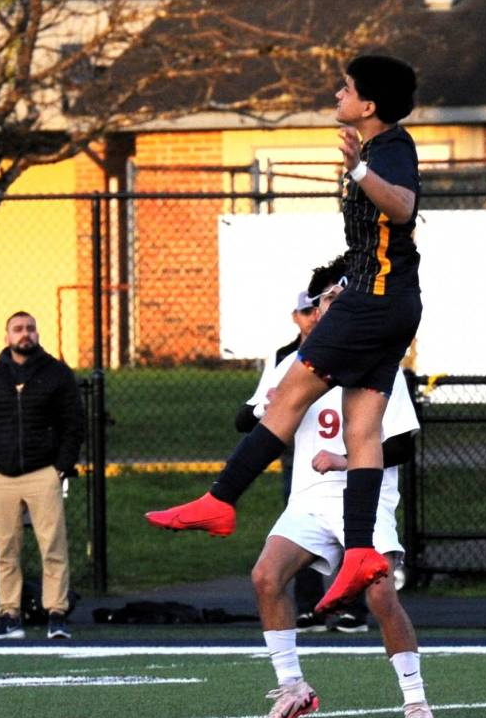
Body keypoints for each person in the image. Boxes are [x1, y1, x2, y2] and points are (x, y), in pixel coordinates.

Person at [146, 54, 421, 611]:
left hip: (374, 305)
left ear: (368, 106)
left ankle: (220, 500)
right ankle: (363, 551)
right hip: (387, 302)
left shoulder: (389, 149)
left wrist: (361, 174)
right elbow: (375, 241)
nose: (336, 95)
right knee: (362, 431)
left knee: (288, 397)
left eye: (345, 89)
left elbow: (404, 209)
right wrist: (349, 275)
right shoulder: (373, 150)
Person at [250, 261, 435, 718]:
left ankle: (415, 700)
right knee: (267, 576)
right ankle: (293, 688)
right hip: (309, 499)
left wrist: (344, 458)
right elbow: (252, 423)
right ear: (315, 310)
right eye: (329, 299)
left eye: (343, 298)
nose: (335, 306)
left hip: (363, 498)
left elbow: (401, 446)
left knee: (380, 595)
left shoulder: (375, 364)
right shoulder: (295, 364)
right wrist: (266, 409)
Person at [0, 311, 84, 641]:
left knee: (53, 545)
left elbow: (73, 424)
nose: (25, 334)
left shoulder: (57, 374)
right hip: (0, 477)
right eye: (18, 329)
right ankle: (9, 614)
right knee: (6, 550)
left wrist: (59, 466)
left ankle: (57, 613)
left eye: (30, 329)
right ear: (6, 336)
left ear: (38, 334)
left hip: (42, 473)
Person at [235, 290, 325, 630]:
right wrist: (266, 405)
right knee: (298, 537)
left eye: (319, 309)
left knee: (358, 539)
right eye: (306, 311)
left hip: (345, 459)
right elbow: (247, 416)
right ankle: (308, 607)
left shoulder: (356, 350)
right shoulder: (287, 358)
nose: (313, 316)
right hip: (300, 459)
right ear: (295, 316)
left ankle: (351, 608)